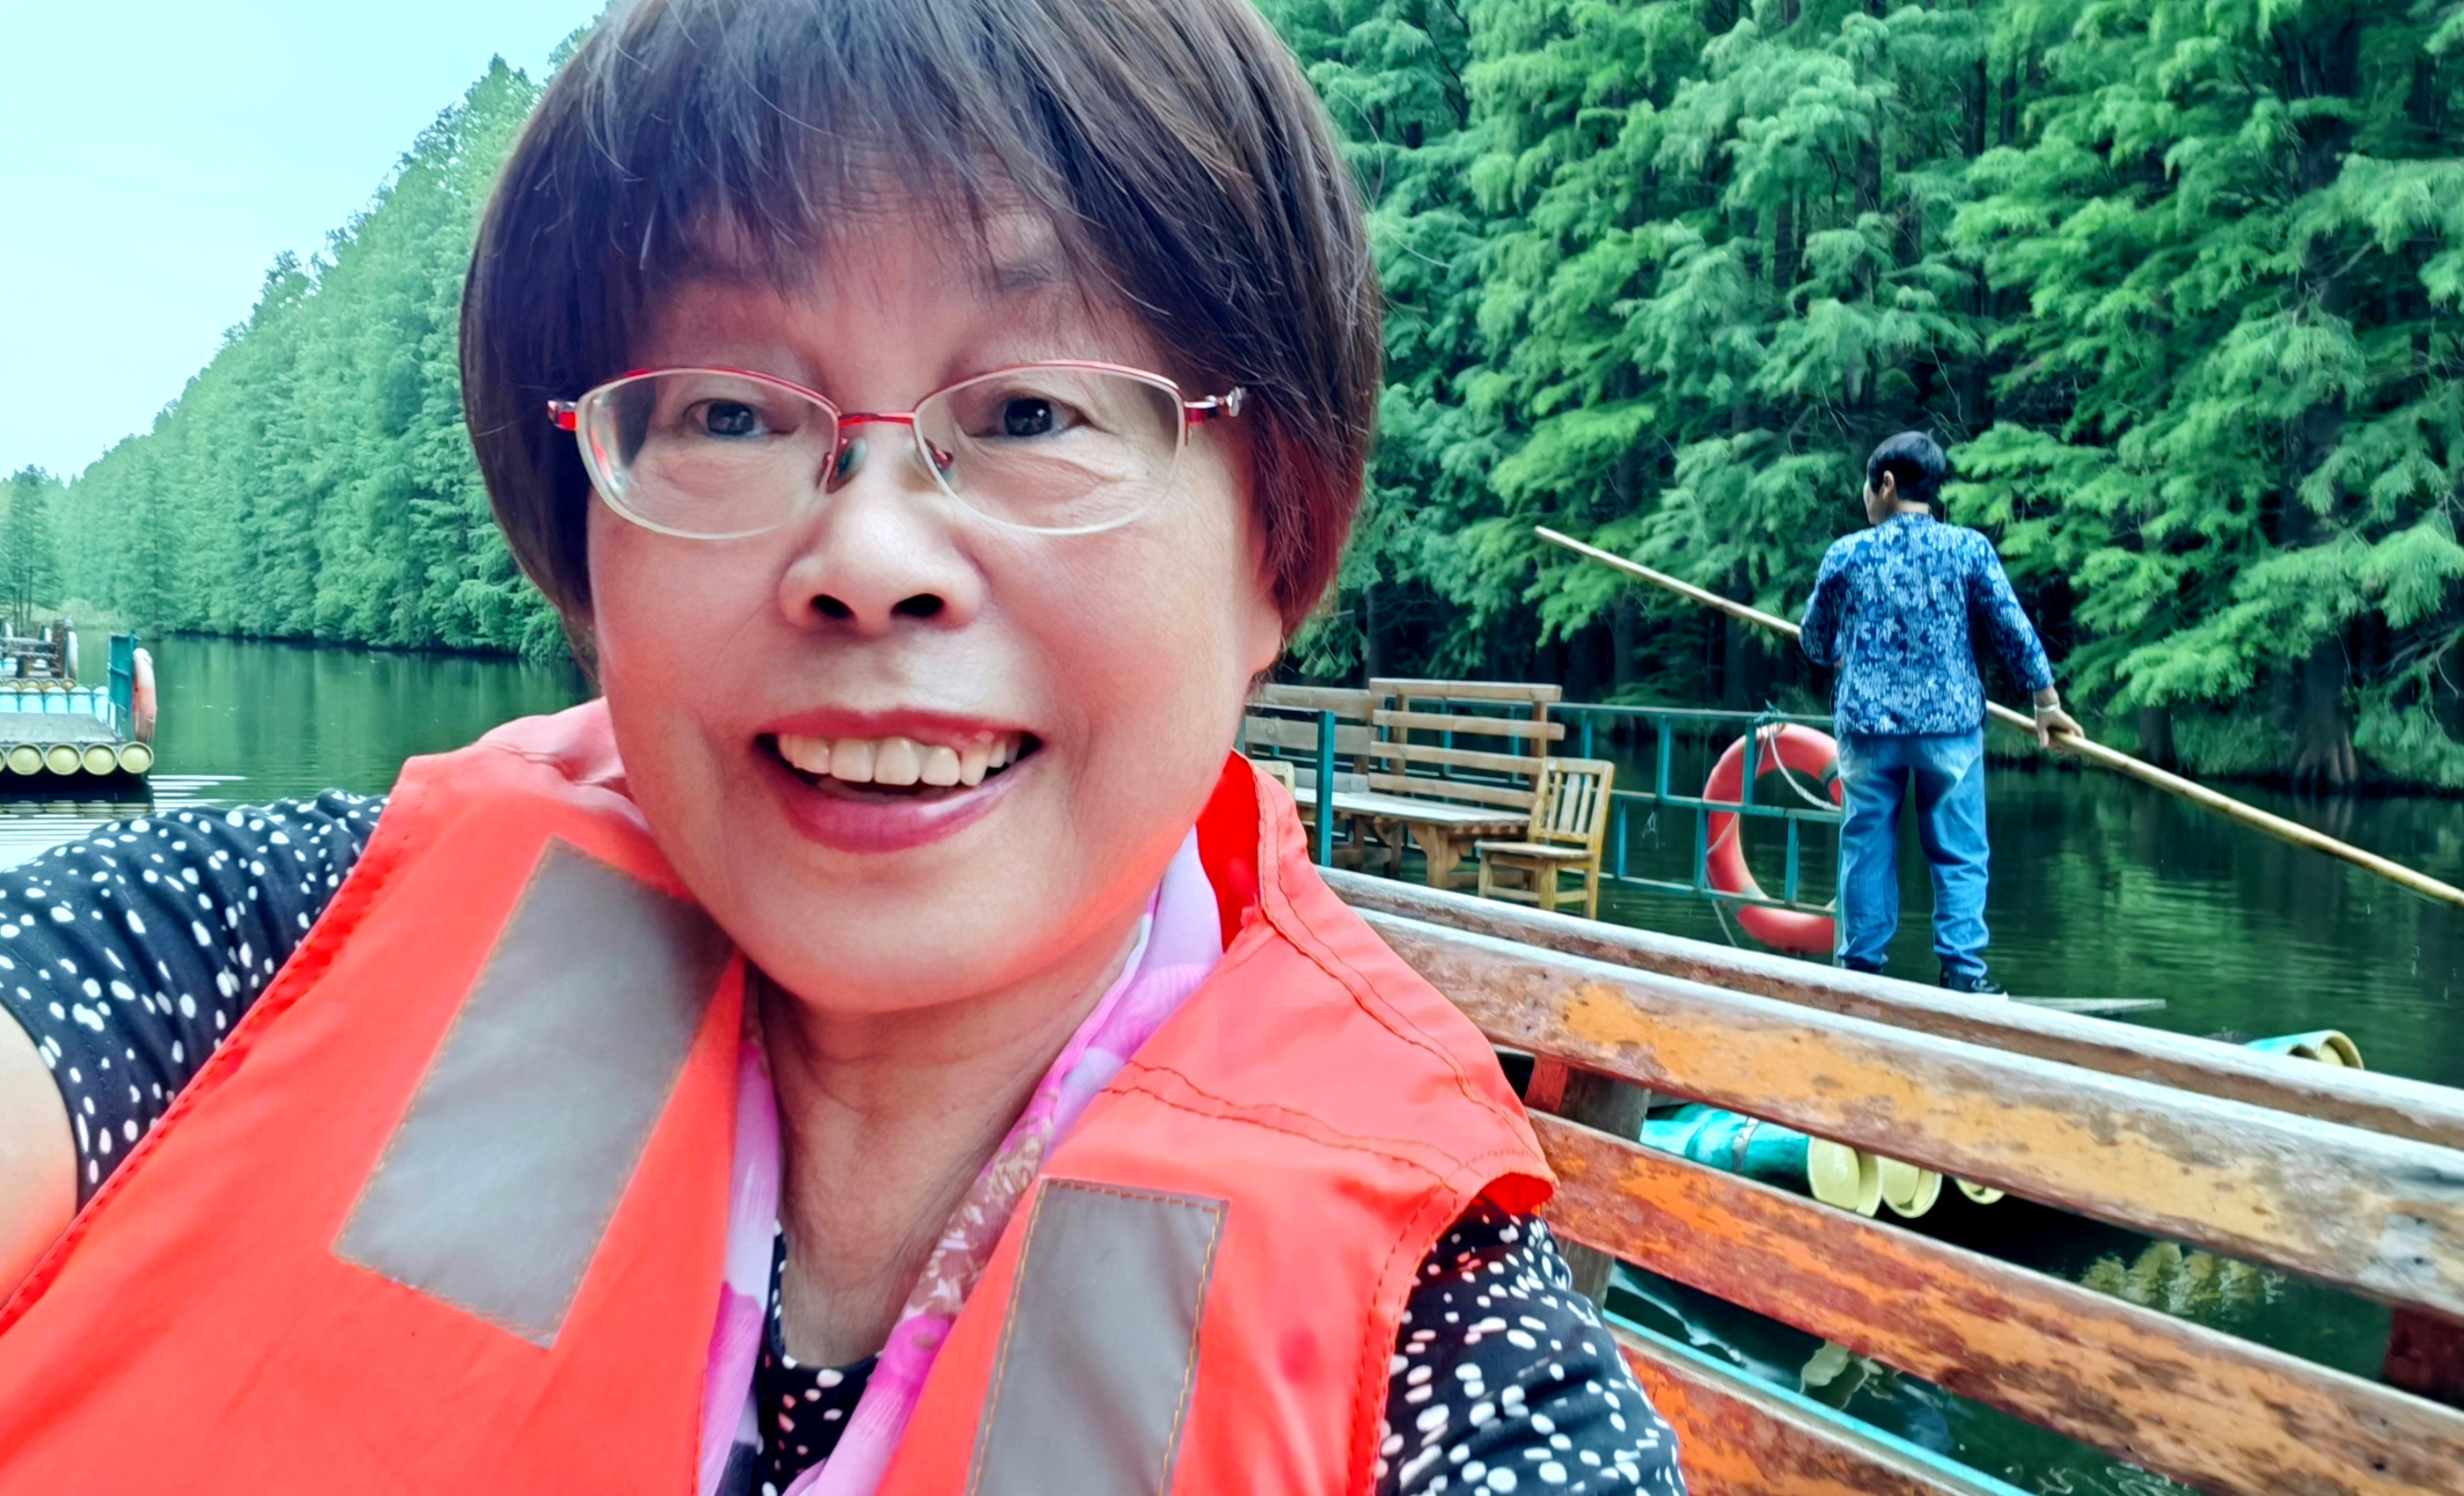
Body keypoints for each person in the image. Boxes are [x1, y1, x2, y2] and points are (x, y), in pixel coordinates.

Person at [0, 2, 1686, 1492]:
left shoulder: (1437, 1364)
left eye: (1031, 411)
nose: (870, 557)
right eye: (730, 413)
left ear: (1277, 547)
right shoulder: (259, 959)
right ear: (590, 546)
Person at [1798, 432, 2078, 996]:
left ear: (1887, 485)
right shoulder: (1968, 549)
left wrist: (1841, 650)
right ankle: (1963, 974)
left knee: (1866, 846)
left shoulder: (1848, 553)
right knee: (1959, 849)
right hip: (1949, 726)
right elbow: (2011, 626)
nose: (1865, 498)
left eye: (1867, 486)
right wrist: (2046, 703)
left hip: (1869, 727)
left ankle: (1862, 971)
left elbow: (1814, 640)